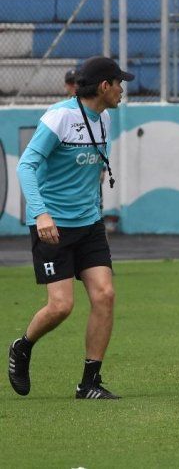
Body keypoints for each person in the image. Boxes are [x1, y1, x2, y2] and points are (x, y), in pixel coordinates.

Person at [8, 55, 132, 400]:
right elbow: (26, 166)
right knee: (61, 306)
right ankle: (22, 346)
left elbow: (92, 169)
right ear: (104, 86)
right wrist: (41, 214)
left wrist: (94, 202)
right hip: (53, 226)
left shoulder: (104, 118)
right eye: (119, 84)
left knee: (105, 295)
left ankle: (89, 383)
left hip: (89, 223)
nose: (122, 90)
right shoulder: (60, 117)